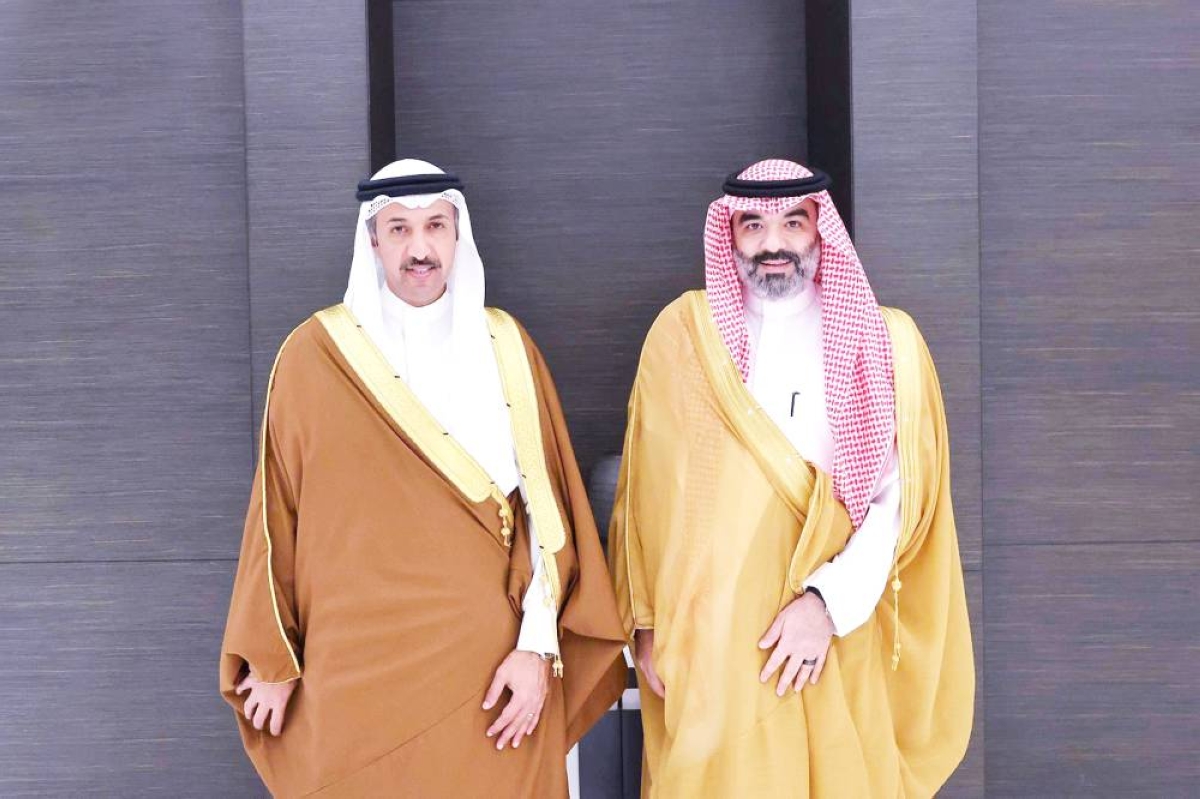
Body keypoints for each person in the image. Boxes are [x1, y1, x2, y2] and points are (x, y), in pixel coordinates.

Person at [220, 159, 627, 797]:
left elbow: (546, 517)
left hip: (487, 678)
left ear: (457, 235)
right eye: (399, 229)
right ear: (372, 240)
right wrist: (273, 658)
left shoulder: (505, 347)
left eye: (435, 225)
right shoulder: (312, 357)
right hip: (353, 675)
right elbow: (276, 521)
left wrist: (537, 648)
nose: (419, 248)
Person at [608, 159, 974, 797]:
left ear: (820, 230)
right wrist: (645, 628)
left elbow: (897, 506)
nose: (772, 244)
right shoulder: (685, 334)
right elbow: (647, 493)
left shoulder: (884, 341)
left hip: (828, 634)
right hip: (711, 644)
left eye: (793, 223)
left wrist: (826, 607)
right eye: (753, 224)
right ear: (730, 234)